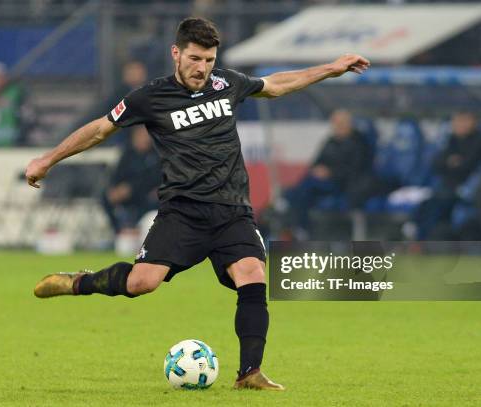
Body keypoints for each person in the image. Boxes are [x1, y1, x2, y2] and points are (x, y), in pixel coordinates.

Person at [26, 17, 369, 390]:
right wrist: (48, 159)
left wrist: (330, 68)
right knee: (142, 283)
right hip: (182, 211)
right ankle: (79, 283)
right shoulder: (149, 97)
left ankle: (250, 373)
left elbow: (275, 85)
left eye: (208, 60)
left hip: (232, 210)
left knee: (252, 275)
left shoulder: (227, 83)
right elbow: (100, 128)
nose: (201, 68)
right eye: (194, 59)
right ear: (176, 53)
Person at [280, 109, 373, 236]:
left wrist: (330, 172)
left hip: (345, 185)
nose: (337, 126)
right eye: (335, 123)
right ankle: (295, 226)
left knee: (304, 189)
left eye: (341, 123)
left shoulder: (358, 143)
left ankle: (300, 227)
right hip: (323, 182)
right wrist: (318, 170)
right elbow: (315, 163)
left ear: (349, 123)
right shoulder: (330, 142)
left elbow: (356, 170)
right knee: (295, 191)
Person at [415, 111, 481, 239]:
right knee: (426, 205)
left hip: (468, 189)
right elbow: (436, 163)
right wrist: (451, 162)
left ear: (472, 121)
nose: (457, 124)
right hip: (447, 187)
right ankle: (420, 241)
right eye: (455, 120)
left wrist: (452, 163)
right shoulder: (451, 140)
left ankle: (425, 243)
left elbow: (467, 165)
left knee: (436, 206)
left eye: (462, 120)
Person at [101, 125, 160, 235]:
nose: (145, 138)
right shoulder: (127, 155)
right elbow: (116, 176)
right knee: (106, 196)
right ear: (134, 136)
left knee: (154, 198)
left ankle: (138, 229)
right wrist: (116, 189)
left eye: (147, 135)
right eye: (141, 135)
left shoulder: (156, 155)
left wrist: (130, 188)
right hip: (129, 196)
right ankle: (119, 231)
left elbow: (155, 178)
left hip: (147, 196)